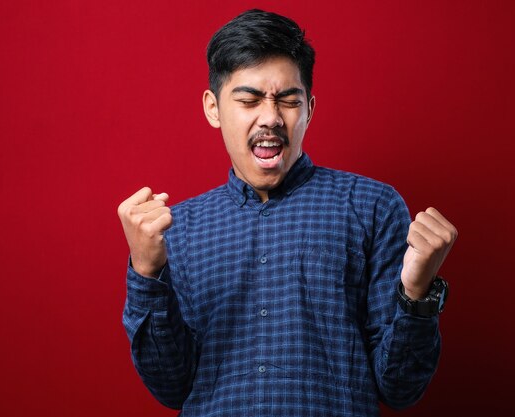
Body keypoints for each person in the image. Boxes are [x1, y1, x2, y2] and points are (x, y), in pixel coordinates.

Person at [118, 9, 457, 417]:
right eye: (249, 99)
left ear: (310, 108)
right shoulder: (179, 230)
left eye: (288, 100)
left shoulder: (373, 207)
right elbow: (172, 386)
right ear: (213, 108)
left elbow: (400, 388)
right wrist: (145, 272)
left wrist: (417, 293)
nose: (271, 118)